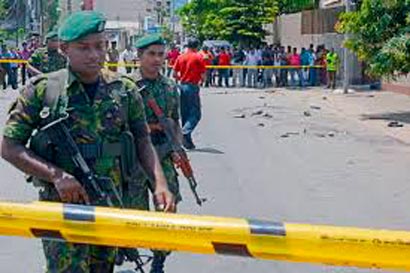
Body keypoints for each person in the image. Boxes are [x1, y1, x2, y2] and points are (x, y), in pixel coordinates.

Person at [1, 11, 174, 273]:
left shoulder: (123, 90)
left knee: (103, 268)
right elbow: (9, 147)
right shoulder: (43, 91)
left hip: (110, 201)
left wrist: (159, 183)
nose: (94, 55)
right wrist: (56, 175)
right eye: (84, 48)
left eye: (100, 46)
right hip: (61, 205)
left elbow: (142, 140)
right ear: (64, 49)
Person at [128, 33, 183, 273]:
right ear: (139, 56)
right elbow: (120, 126)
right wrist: (153, 127)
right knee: (136, 213)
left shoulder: (170, 86)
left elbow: (176, 121)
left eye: (161, 54)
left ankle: (160, 259)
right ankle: (131, 251)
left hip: (164, 155)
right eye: (151, 54)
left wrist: (178, 149)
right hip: (136, 159)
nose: (157, 59)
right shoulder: (127, 86)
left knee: (167, 210)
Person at [173, 38, 206, 150]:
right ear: (196, 46)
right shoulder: (198, 57)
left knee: (185, 113)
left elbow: (174, 73)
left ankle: (188, 142)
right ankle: (184, 132)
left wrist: (181, 79)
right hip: (192, 85)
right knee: (196, 114)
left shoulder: (180, 57)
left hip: (182, 85)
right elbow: (203, 74)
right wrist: (202, 82)